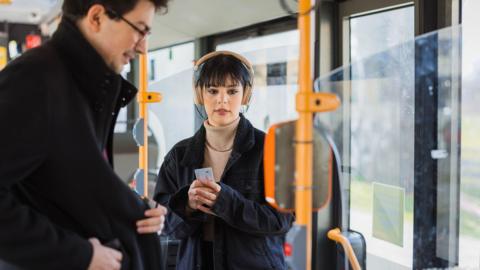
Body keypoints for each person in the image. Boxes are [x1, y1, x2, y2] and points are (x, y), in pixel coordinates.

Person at [0, 0, 170, 269]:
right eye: (139, 30)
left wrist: (134, 210)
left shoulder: (85, 86)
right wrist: (78, 255)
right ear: (97, 17)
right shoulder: (35, 79)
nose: (142, 47)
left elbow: (61, 185)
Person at [154, 51, 294, 270]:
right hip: (196, 262)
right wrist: (188, 206)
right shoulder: (178, 155)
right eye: (212, 90)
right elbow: (163, 224)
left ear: (245, 95)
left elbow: (281, 221)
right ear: (200, 95)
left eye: (232, 91)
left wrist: (226, 202)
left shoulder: (269, 148)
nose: (222, 100)